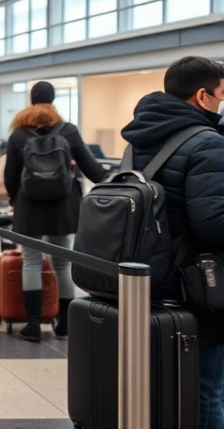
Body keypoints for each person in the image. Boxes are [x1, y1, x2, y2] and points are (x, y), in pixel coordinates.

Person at [120, 57, 224, 428]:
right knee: (207, 388)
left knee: (158, 382)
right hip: (196, 286)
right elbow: (212, 223)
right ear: (202, 95)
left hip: (146, 280)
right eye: (221, 95)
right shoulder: (207, 142)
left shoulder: (138, 139)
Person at [3, 81, 106, 342]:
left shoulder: (18, 134)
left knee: (32, 262)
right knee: (62, 263)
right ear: (53, 100)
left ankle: (34, 325)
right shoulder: (68, 131)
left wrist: (15, 200)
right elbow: (93, 170)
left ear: (31, 99)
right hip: (63, 207)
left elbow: (10, 177)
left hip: (29, 207)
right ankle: (65, 324)